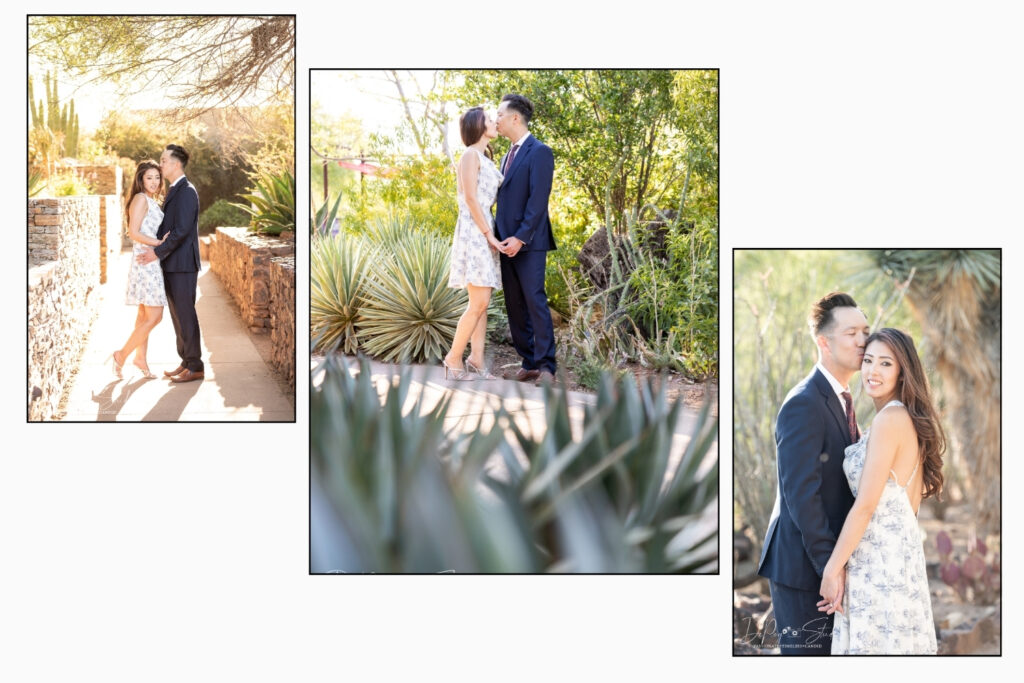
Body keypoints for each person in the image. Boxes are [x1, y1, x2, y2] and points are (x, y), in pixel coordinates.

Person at [817, 327, 943, 654]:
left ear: (903, 372)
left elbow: (866, 506)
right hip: (896, 557)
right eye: (868, 360)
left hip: (880, 565)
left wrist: (833, 568)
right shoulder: (899, 418)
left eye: (886, 363)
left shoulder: (891, 419)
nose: (873, 371)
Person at [756, 292, 868, 654]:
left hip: (827, 566)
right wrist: (829, 568)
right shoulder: (804, 403)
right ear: (824, 342)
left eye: (865, 330)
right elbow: (801, 495)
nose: (862, 340)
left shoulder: (841, 399)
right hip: (804, 570)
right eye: (851, 333)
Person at [494, 94, 558, 385]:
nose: (496, 120)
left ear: (515, 118)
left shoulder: (540, 151)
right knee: (514, 304)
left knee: (535, 301)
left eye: (499, 115)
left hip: (530, 242)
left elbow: (537, 202)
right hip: (504, 242)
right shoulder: (506, 155)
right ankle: (528, 361)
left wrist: (520, 237)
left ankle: (547, 367)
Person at [442, 107, 508, 381]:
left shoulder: (485, 158)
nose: (495, 123)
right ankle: (453, 357)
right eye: (490, 120)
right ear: (478, 126)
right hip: (475, 231)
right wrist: (488, 235)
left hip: (484, 229)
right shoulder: (470, 155)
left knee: (482, 302)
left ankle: (477, 360)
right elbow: (470, 198)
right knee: (478, 302)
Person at [137, 144, 204, 382]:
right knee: (178, 316)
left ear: (176, 164)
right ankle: (186, 361)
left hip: (183, 264)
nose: (160, 164)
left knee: (186, 314)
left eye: (164, 160)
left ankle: (195, 366)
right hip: (172, 263)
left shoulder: (186, 191)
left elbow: (182, 230)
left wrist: (157, 252)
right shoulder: (176, 189)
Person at [110, 160, 167, 379]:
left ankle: (140, 358)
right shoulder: (141, 199)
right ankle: (121, 355)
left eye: (157, 177)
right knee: (155, 316)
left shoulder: (150, 199)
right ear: (141, 179)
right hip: (146, 260)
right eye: (149, 177)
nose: (154, 182)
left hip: (148, 259)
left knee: (144, 315)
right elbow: (133, 232)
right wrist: (159, 244)